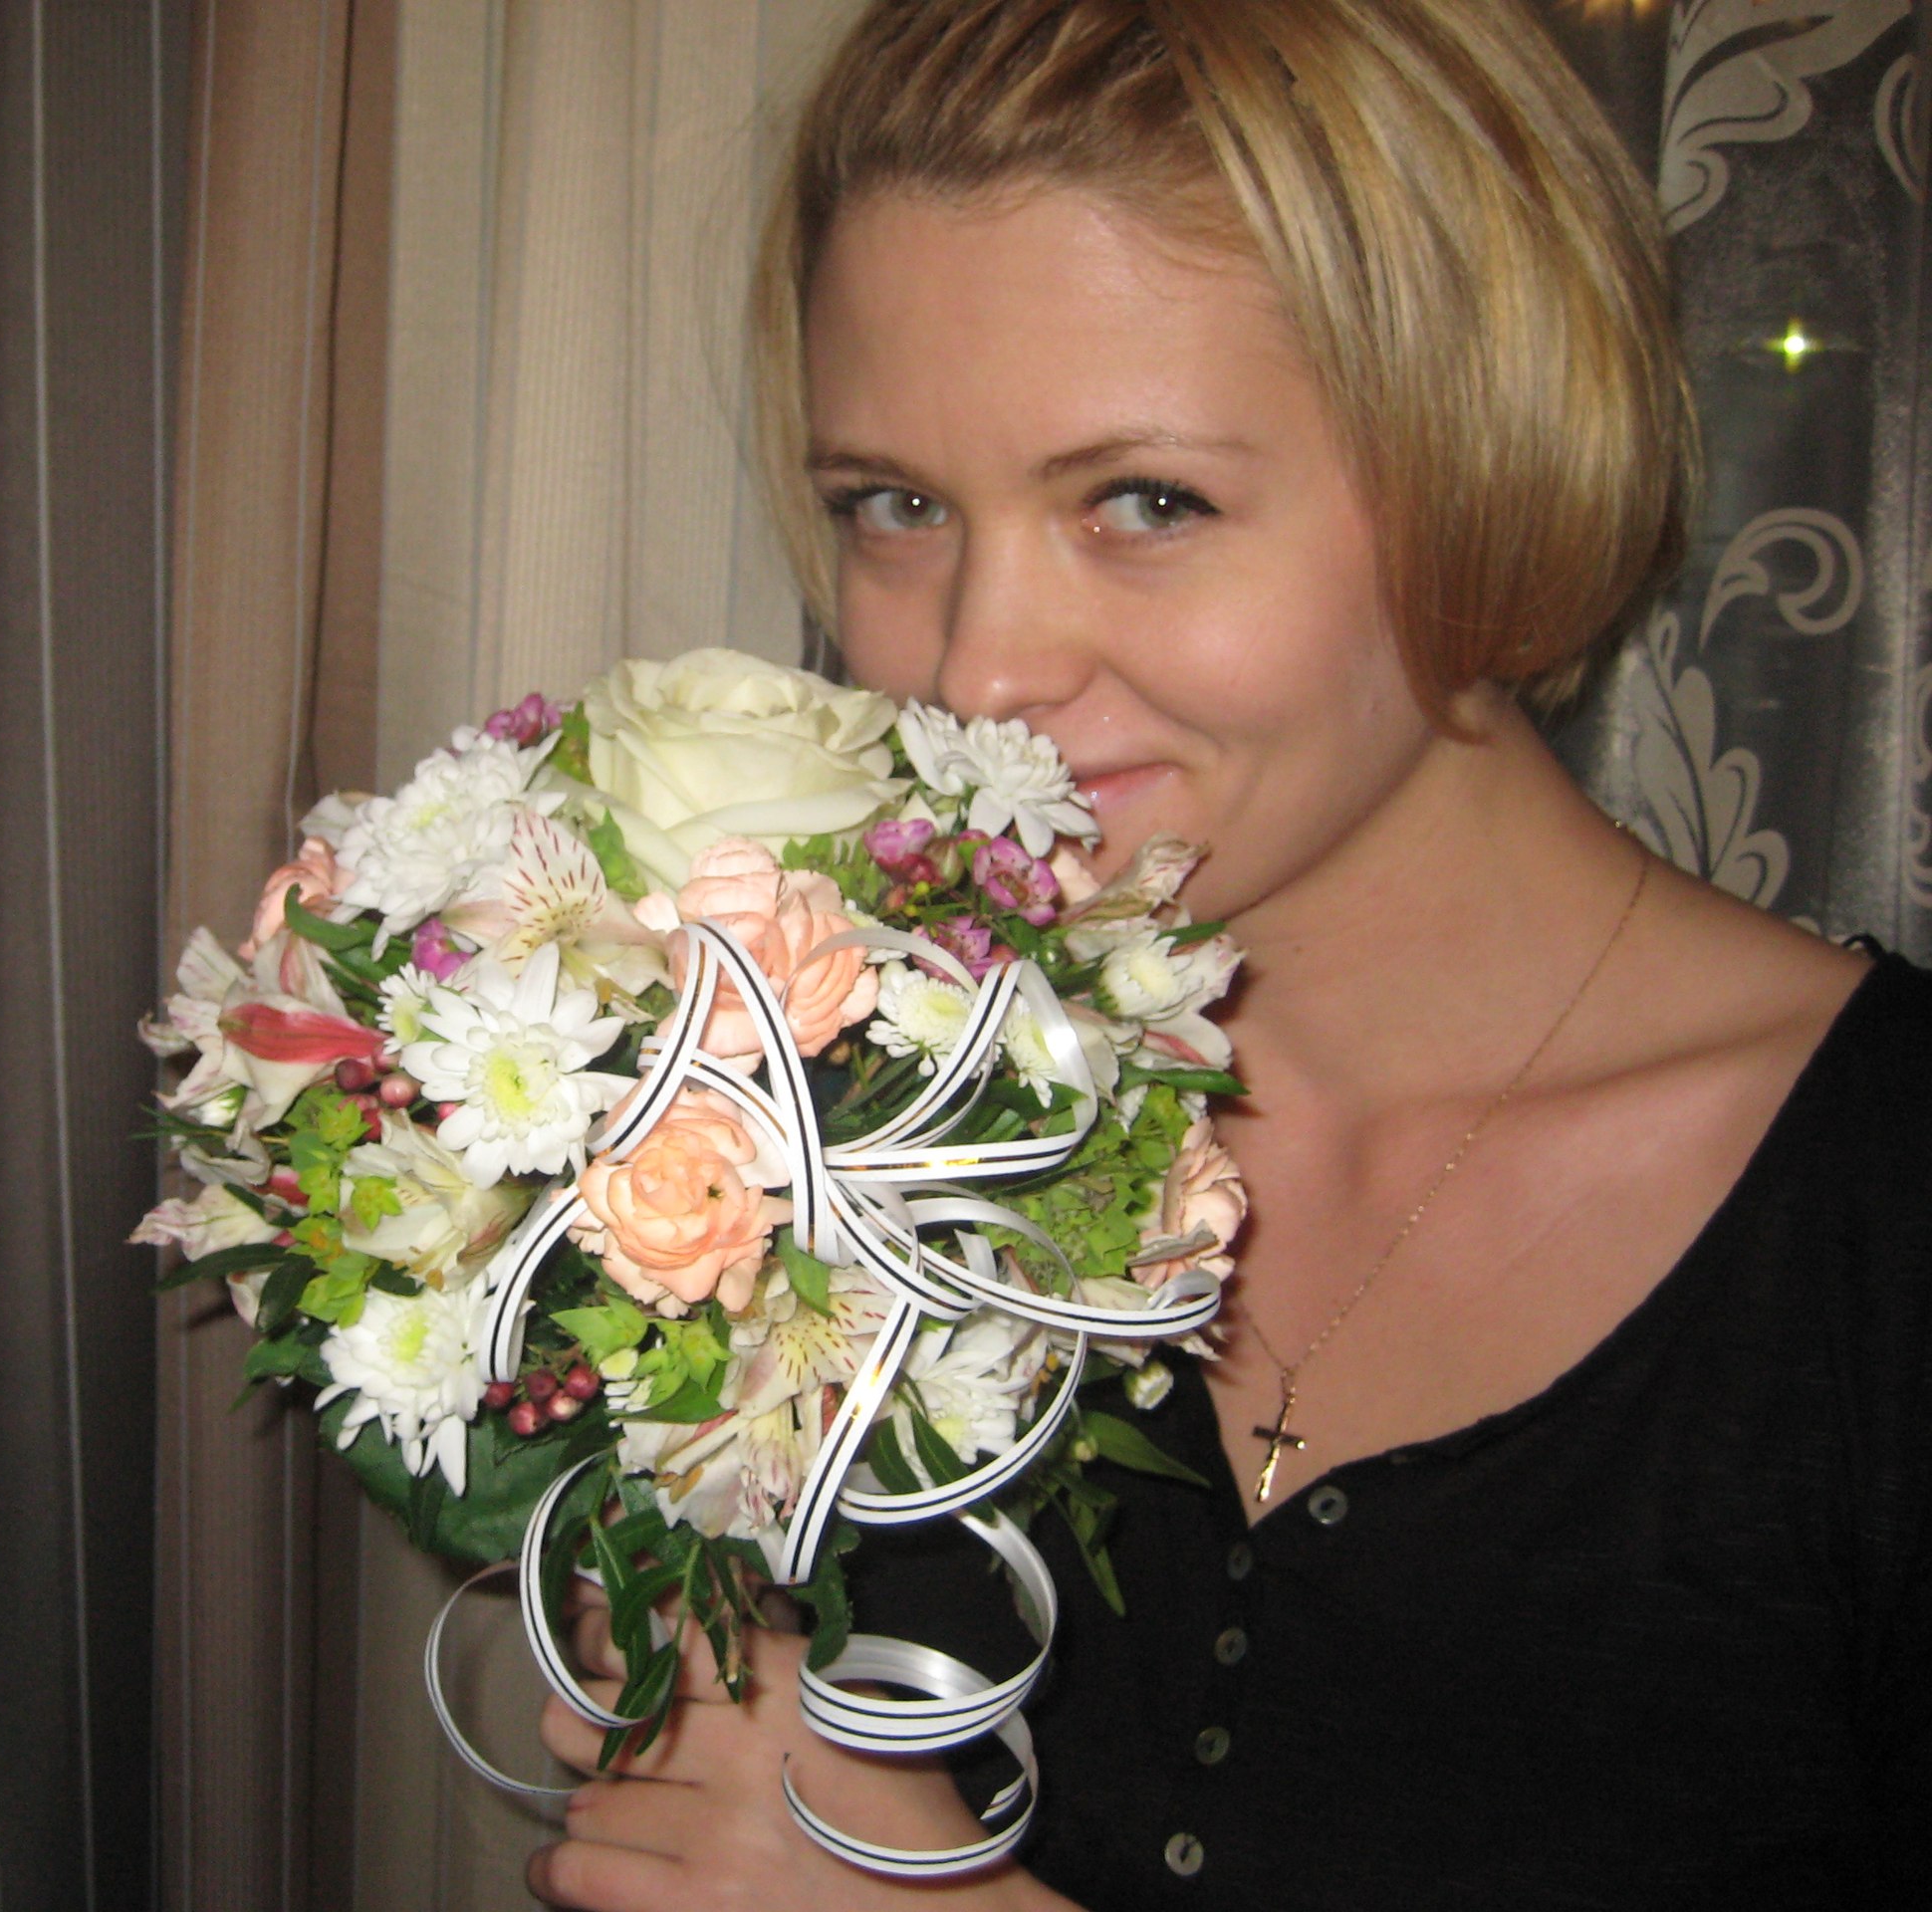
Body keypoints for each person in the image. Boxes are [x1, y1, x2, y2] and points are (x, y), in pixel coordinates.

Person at [525, 2, 1931, 1907]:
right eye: (897, 506)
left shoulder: (1878, 1230)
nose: (976, 671)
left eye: (1146, 501)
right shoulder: (823, 1108)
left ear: (1485, 472)